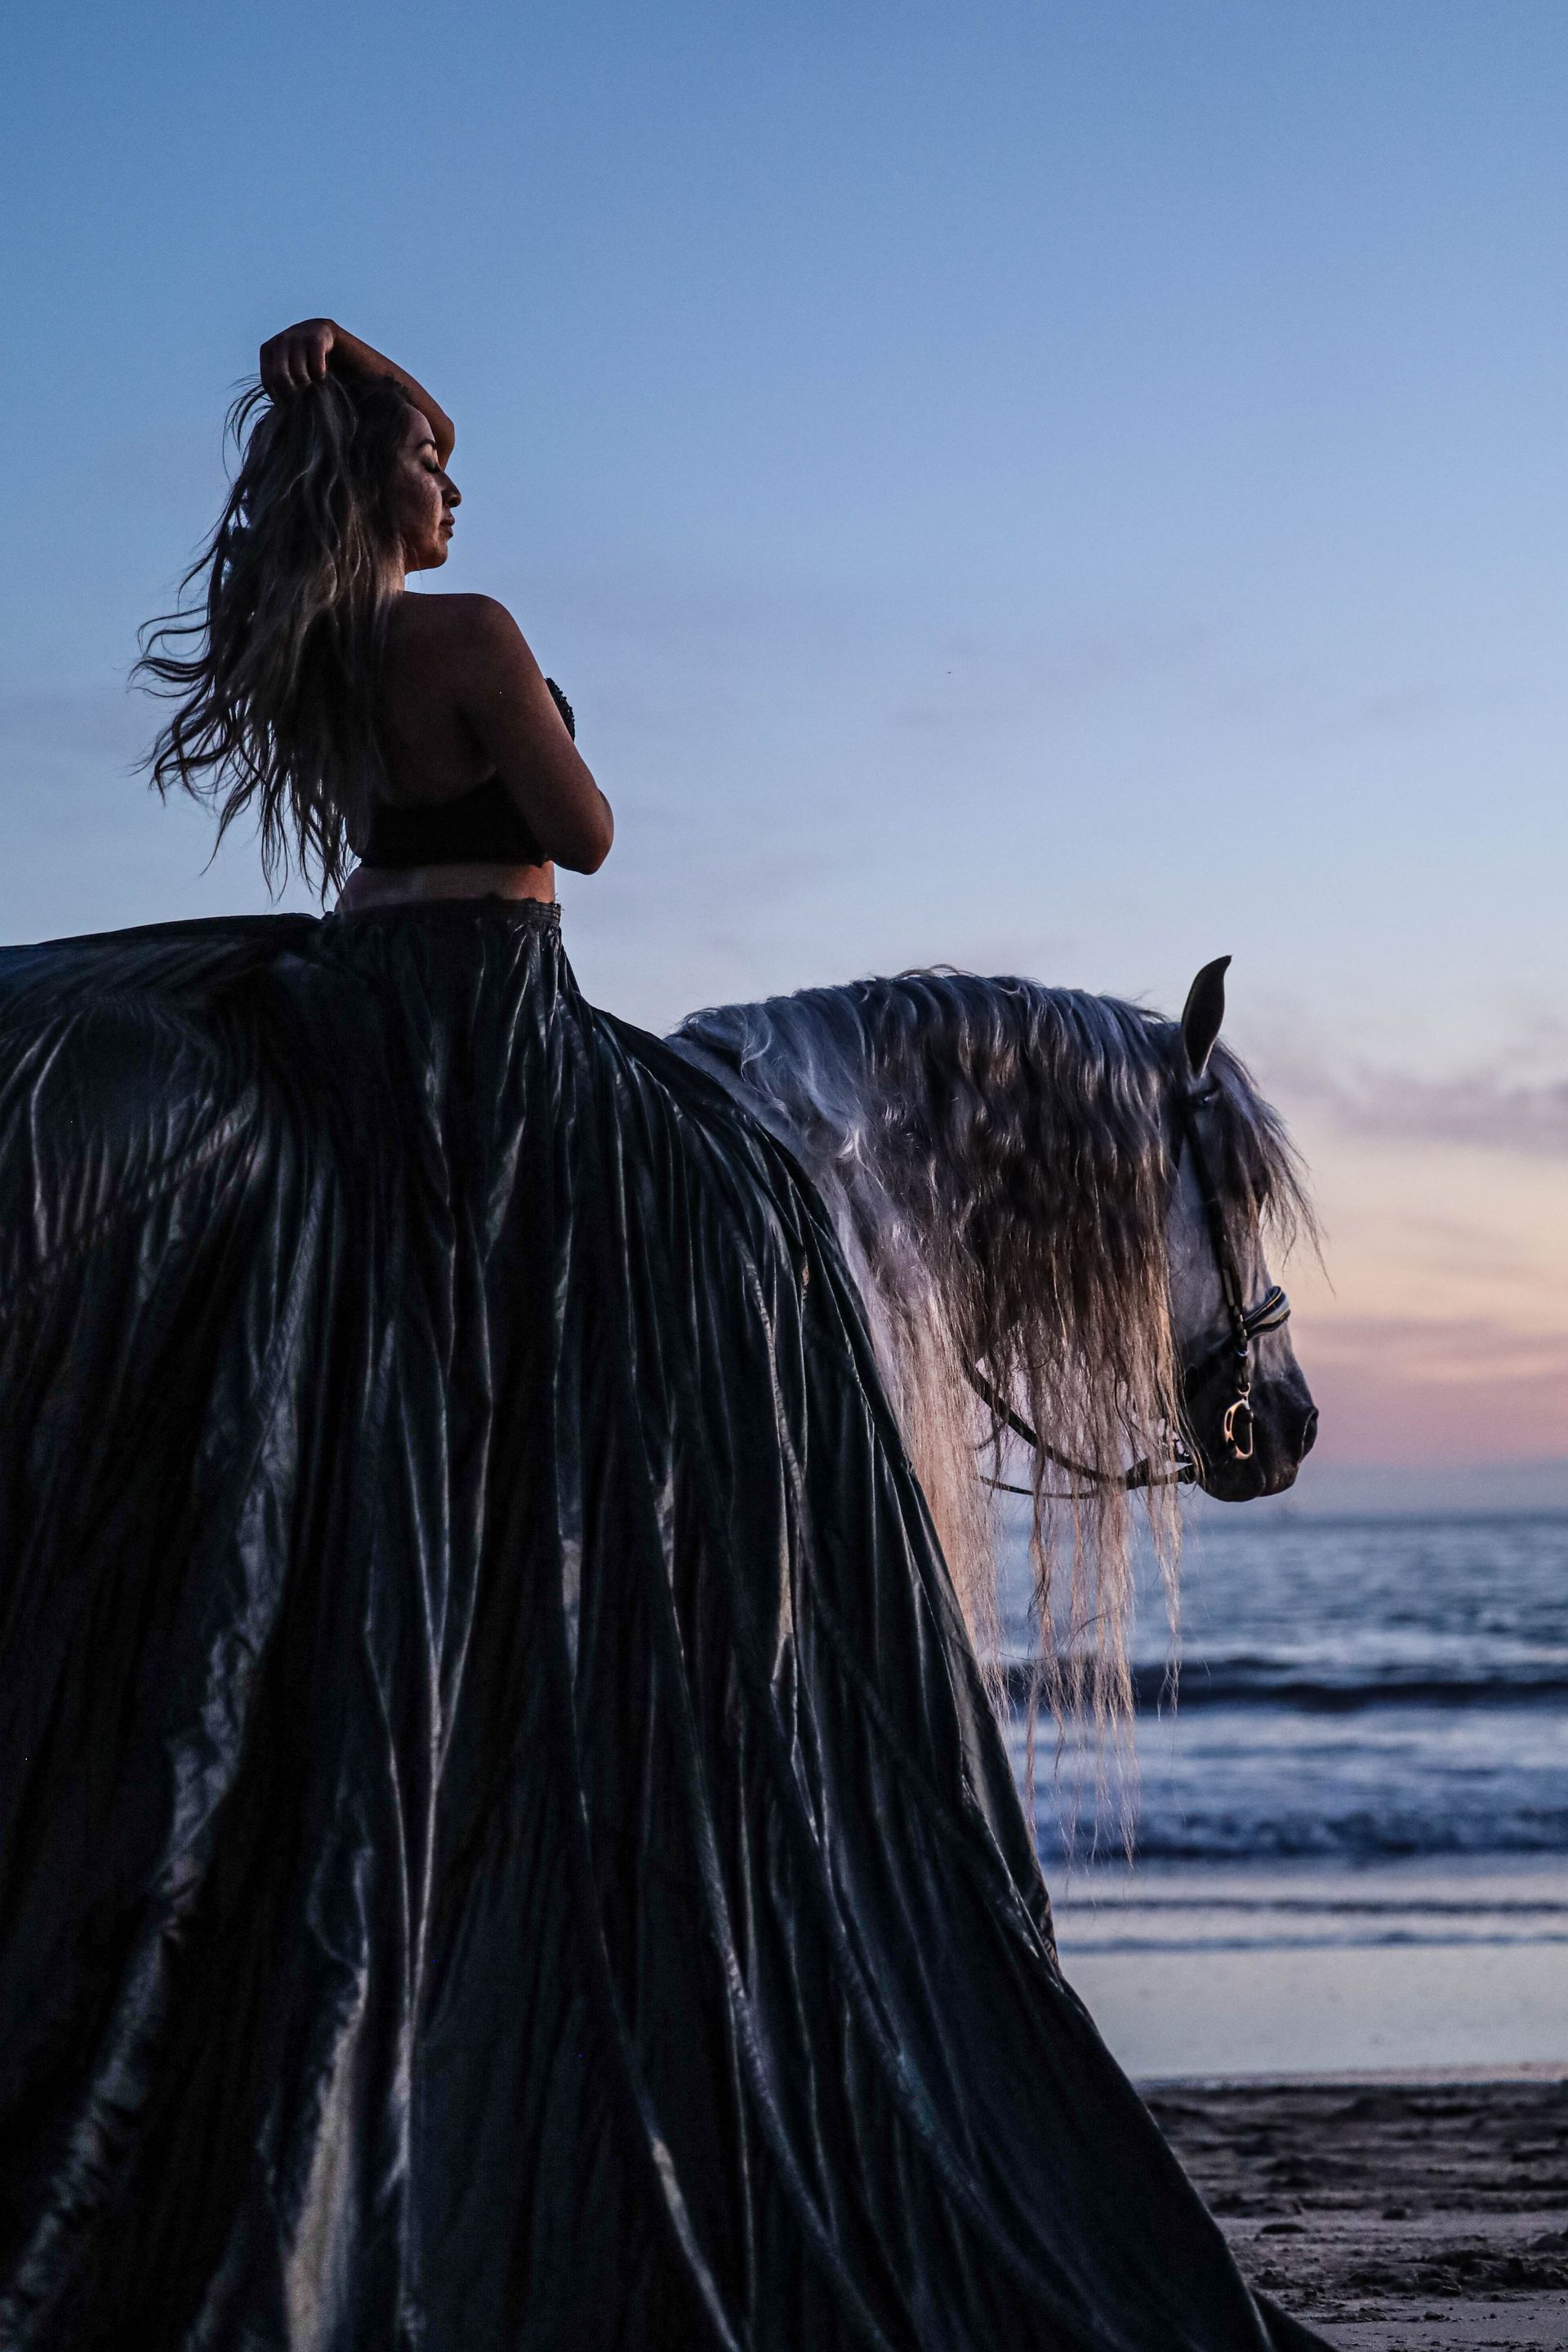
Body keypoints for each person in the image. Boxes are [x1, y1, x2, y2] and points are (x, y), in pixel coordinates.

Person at [0, 323, 1328, 2352]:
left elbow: (402, 737)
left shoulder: (330, 655)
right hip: (503, 1029)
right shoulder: (465, 631)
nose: (462, 501)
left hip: (361, 1011)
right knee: (735, 1241)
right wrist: (553, 719)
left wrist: (349, 364)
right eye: (435, 475)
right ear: (393, 505)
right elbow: (591, 833)